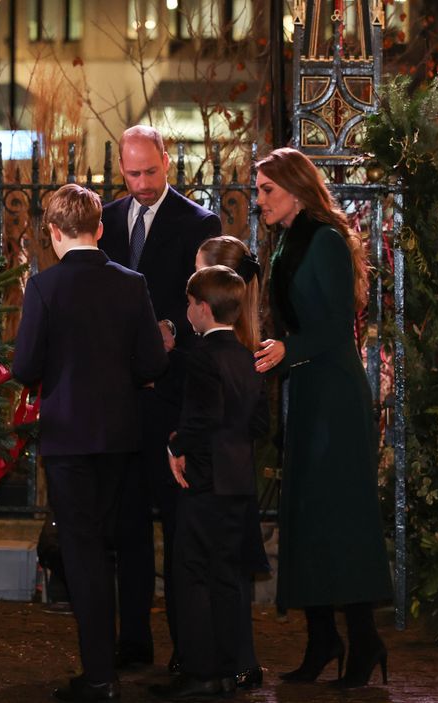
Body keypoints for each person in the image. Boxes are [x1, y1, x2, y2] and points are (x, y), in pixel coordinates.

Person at [13, 183, 168, 702]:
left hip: (68, 438)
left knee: (83, 555)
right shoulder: (131, 284)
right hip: (121, 437)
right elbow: (151, 363)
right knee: (113, 547)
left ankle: (100, 675)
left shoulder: (44, 288)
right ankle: (111, 663)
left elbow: (25, 367)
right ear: (100, 228)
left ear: (54, 233)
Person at [252, 147, 392, 688]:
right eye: (259, 190)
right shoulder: (288, 237)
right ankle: (322, 639)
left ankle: (365, 641)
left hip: (333, 395)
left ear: (295, 188)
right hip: (308, 390)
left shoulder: (326, 240)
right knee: (307, 518)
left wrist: (289, 349)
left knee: (339, 518)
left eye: (267, 189)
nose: (259, 199)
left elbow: (336, 326)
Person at [99, 124, 222, 672]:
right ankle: (134, 639)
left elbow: (207, 303)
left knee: (176, 526)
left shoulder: (200, 223)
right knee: (125, 524)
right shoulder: (104, 220)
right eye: (133, 173)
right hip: (120, 399)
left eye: (151, 171)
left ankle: (184, 646)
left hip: (169, 397)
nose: (143, 183)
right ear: (120, 169)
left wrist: (170, 327)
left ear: (167, 161)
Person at [148, 265, 267, 701]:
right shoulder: (247, 355)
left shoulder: (201, 355)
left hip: (204, 478)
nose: (187, 312)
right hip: (238, 480)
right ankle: (225, 670)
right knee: (226, 577)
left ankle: (200, 673)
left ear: (201, 308)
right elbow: (259, 422)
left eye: (189, 304)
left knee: (192, 572)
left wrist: (176, 446)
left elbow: (202, 417)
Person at [193, 235, 269, 690]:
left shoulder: (226, 349)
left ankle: (231, 661)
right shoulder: (248, 344)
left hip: (218, 472)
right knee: (230, 570)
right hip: (238, 470)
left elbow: (215, 414)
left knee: (222, 572)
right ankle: (238, 660)